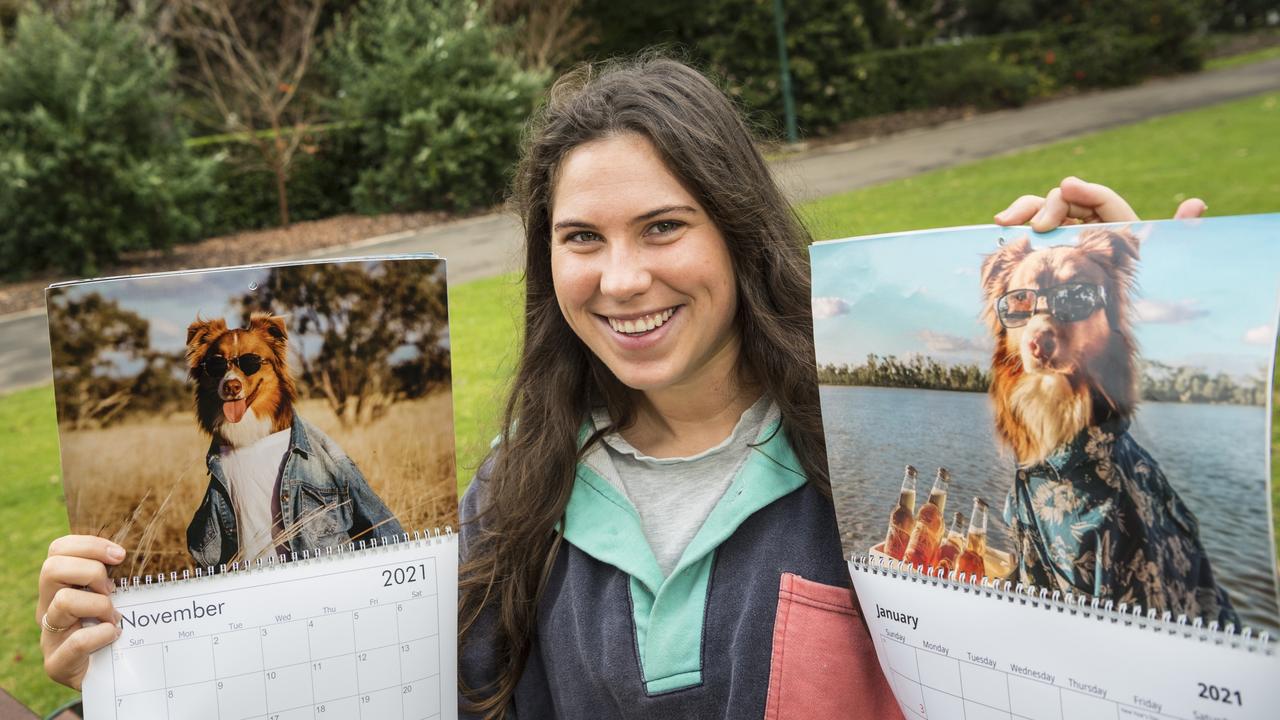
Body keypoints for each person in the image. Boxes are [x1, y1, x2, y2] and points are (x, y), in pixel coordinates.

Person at [37, 55, 1204, 710]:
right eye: (579, 238)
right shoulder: (513, 496)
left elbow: (1106, 654)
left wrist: (1159, 325)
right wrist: (142, 652)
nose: (621, 277)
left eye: (662, 226)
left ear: (739, 234)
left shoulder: (862, 463)